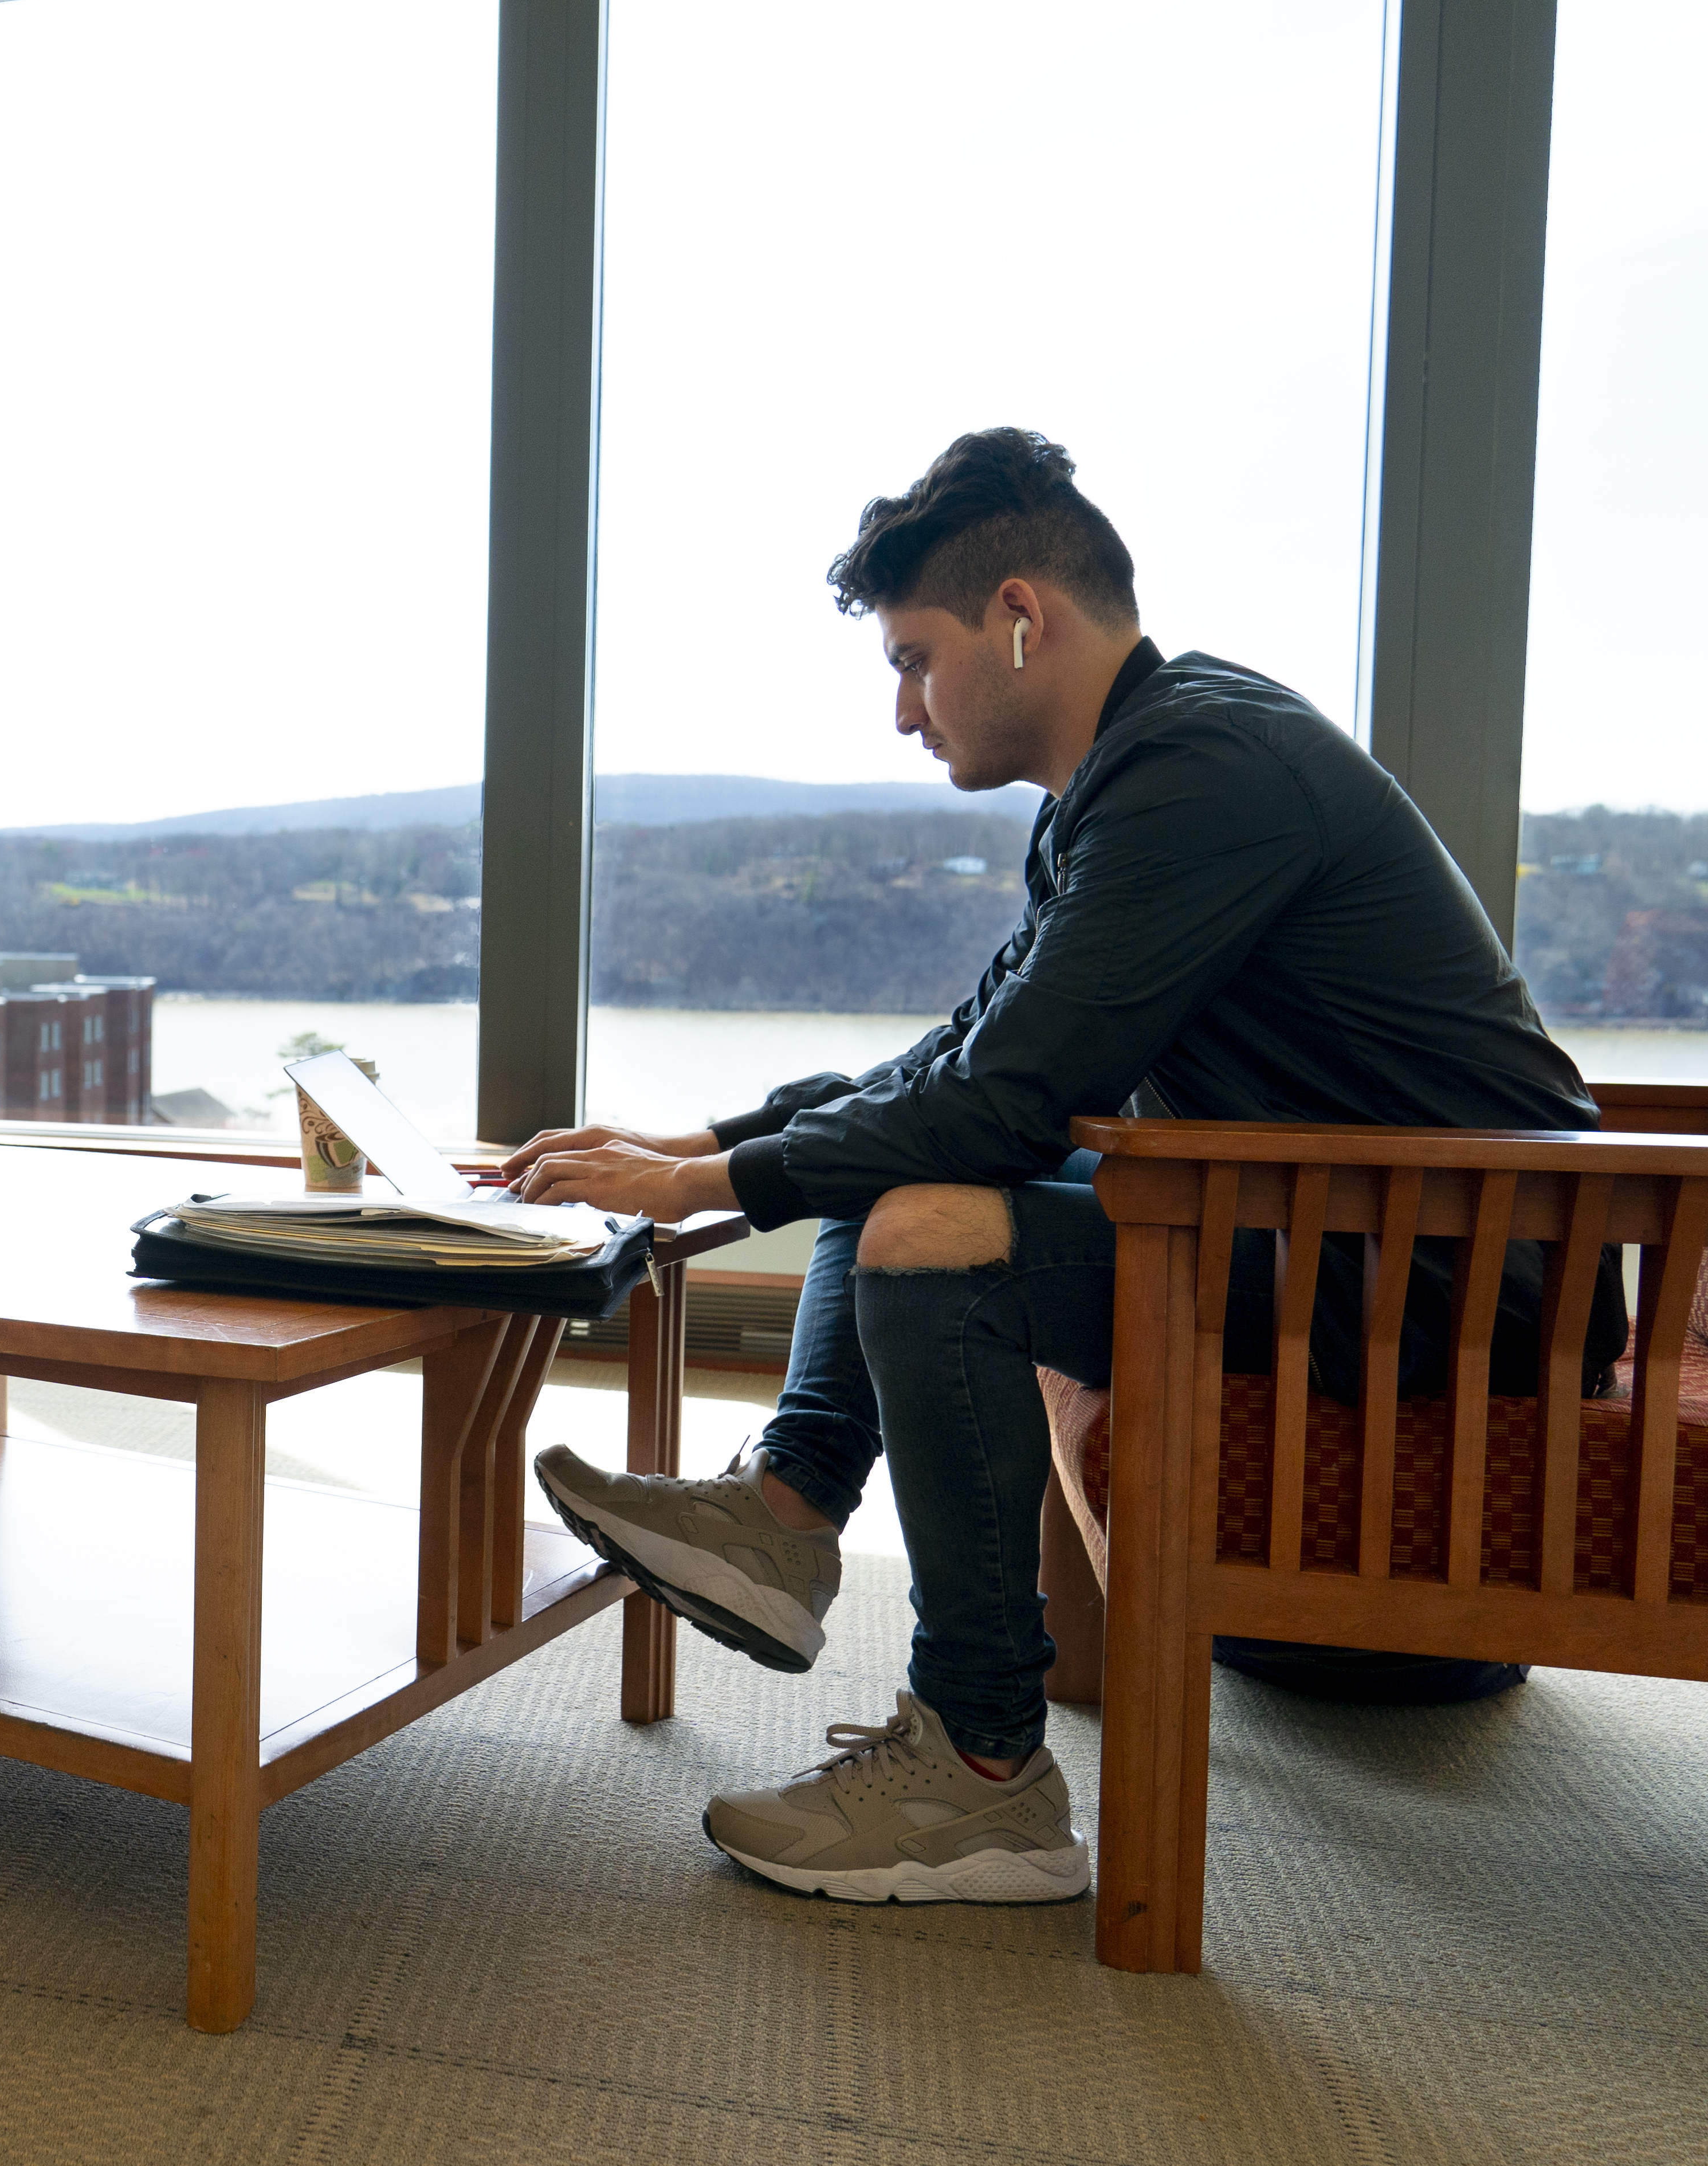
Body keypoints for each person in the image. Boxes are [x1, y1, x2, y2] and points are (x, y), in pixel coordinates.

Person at [515, 428, 1612, 1908]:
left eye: (916, 660)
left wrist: (700, 1194)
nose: (905, 711)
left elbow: (999, 1102)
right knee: (891, 1171)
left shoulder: (1203, 771)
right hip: (1325, 1217)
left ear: (1019, 617)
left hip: (1450, 1272)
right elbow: (961, 1058)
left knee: (931, 1228)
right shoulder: (1125, 776)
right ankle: (785, 1518)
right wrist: (698, 1144)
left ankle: (980, 1775)